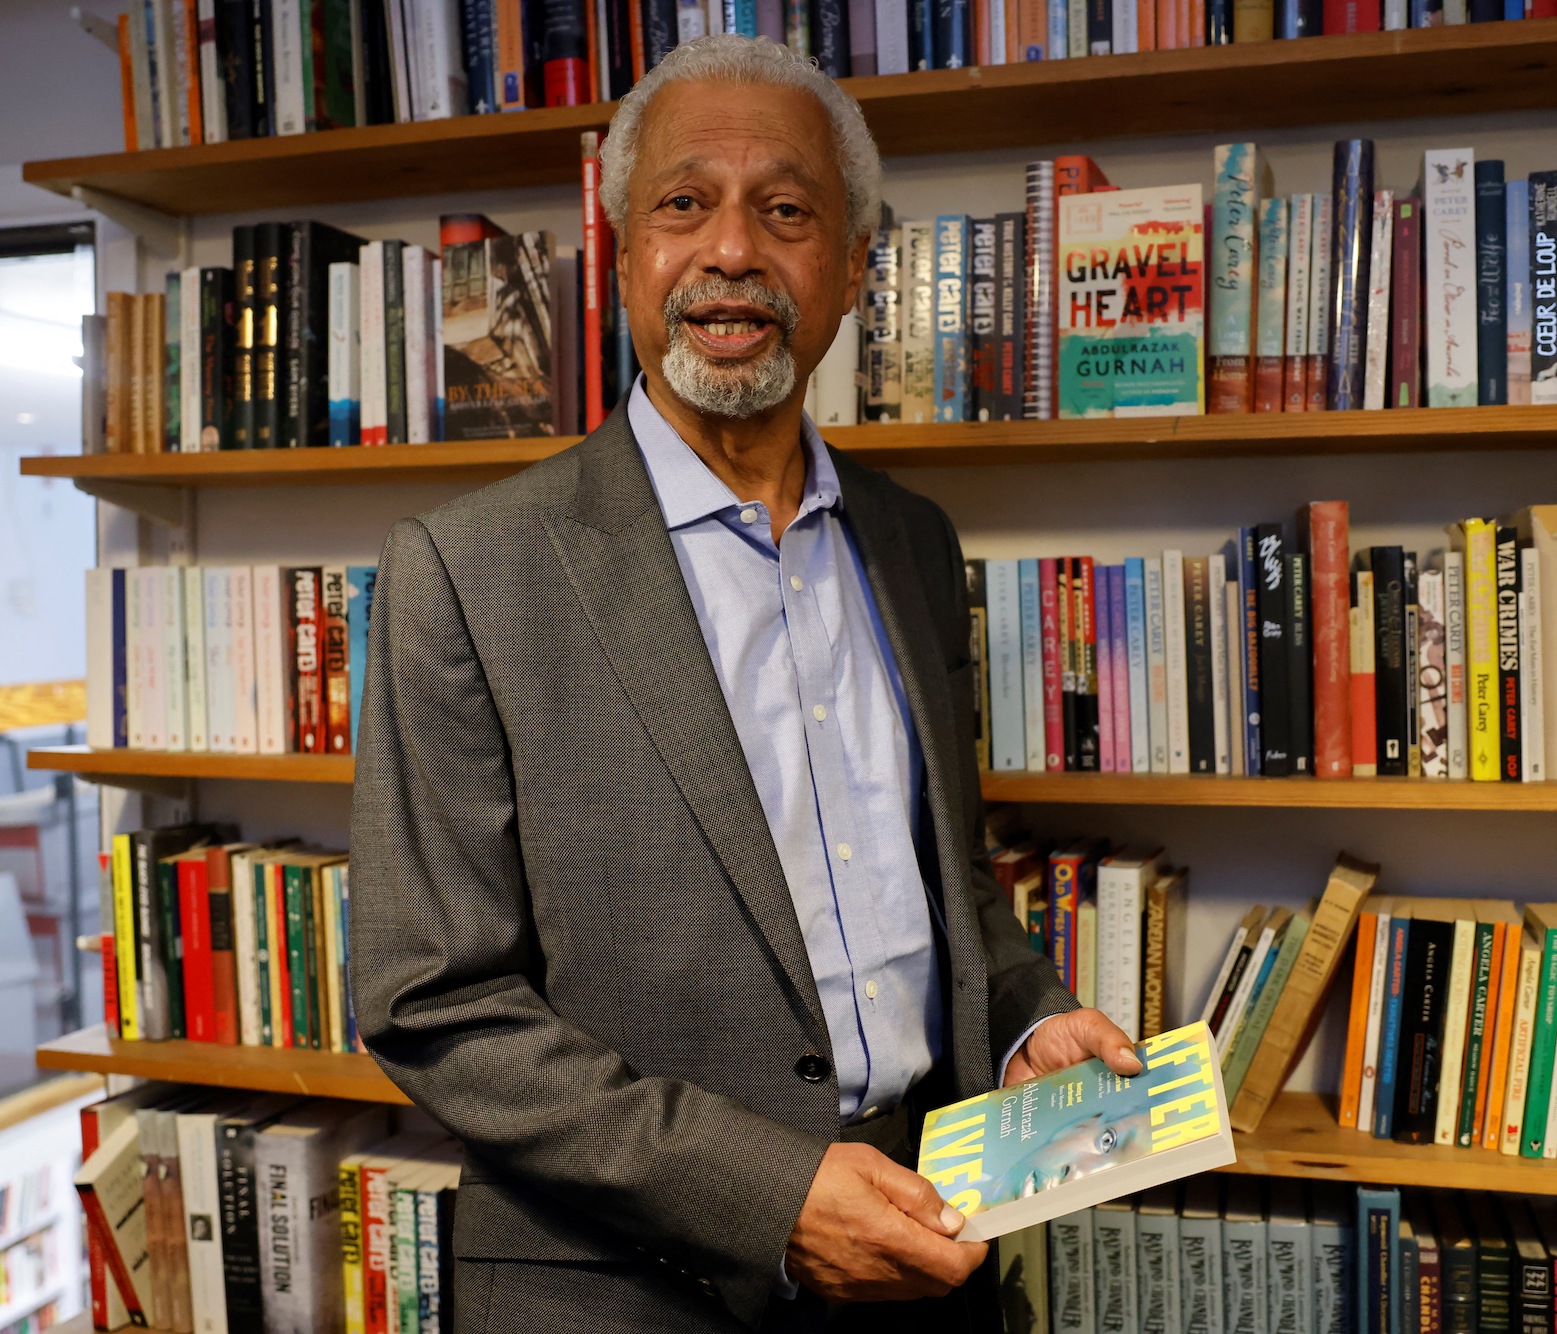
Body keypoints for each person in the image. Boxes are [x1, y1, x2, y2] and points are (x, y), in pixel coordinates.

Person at [348, 33, 1141, 1334]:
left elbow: (951, 889)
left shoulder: (914, 546)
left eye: (785, 209)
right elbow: (437, 1004)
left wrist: (1026, 1021)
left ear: (851, 271)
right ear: (624, 258)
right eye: (682, 203)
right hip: (622, 1288)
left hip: (925, 1247)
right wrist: (767, 1194)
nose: (730, 250)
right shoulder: (464, 571)